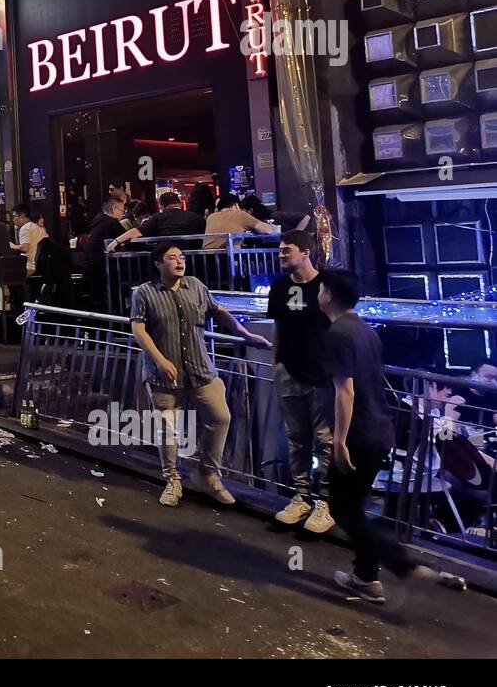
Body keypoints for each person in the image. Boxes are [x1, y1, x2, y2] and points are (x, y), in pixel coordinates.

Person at [130, 241, 271, 508]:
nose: (180, 261)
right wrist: (160, 360)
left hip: (200, 370)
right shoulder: (145, 293)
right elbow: (139, 330)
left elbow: (218, 312)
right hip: (165, 376)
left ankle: (207, 474)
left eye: (181, 257)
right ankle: (173, 479)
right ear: (159, 263)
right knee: (168, 430)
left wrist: (245, 335)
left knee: (220, 417)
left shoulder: (195, 285)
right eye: (172, 257)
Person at [319, 268, 422, 602]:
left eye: (321, 289)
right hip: (380, 429)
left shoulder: (337, 334)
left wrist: (339, 440)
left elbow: (344, 391)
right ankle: (366, 577)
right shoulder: (365, 330)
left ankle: (399, 562)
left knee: (342, 509)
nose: (318, 293)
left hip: (358, 434)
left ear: (329, 294)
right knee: (354, 505)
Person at [267, 230, 334, 533]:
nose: (281, 255)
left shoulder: (326, 286)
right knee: (296, 438)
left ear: (306, 252)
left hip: (320, 375)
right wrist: (277, 364)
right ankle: (302, 495)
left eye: (287, 250)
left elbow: (337, 327)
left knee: (325, 440)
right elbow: (279, 326)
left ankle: (327, 501)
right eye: (280, 251)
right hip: (288, 373)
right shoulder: (279, 287)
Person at [106, 192, 206, 252]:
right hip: (194, 262)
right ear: (179, 203)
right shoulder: (198, 218)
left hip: (166, 260)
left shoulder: (159, 217)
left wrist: (116, 241)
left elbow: (137, 231)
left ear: (161, 206)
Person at [83, 197, 127, 304]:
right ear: (113, 209)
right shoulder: (112, 223)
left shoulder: (97, 221)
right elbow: (128, 238)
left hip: (91, 265)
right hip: (103, 267)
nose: (124, 214)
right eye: (122, 210)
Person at [202, 193, 278, 250]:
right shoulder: (239, 214)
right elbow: (268, 230)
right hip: (228, 259)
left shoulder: (211, 217)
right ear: (236, 205)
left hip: (207, 258)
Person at [9, 204, 45, 274]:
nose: (13, 220)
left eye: (14, 217)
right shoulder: (37, 227)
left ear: (22, 216)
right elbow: (21, 245)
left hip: (30, 267)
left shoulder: (25, 228)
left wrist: (12, 246)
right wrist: (16, 230)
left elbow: (25, 248)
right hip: (41, 266)